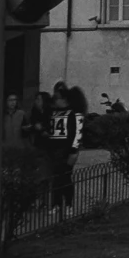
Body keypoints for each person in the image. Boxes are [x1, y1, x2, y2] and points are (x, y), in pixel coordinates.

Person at [44, 84, 84, 213]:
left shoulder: (73, 113)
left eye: (58, 98)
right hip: (54, 149)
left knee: (65, 177)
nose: (56, 101)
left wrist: (74, 150)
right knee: (56, 178)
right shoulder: (54, 112)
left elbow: (78, 132)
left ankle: (68, 203)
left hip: (66, 150)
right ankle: (56, 203)